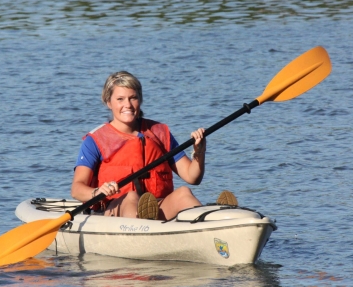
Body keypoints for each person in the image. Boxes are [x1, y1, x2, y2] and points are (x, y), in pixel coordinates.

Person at [70, 71, 237, 220]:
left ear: (140, 99)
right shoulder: (95, 140)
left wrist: (199, 152)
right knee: (131, 198)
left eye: (132, 98)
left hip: (158, 205)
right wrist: (97, 192)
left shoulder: (159, 133)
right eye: (120, 99)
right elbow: (77, 189)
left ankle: (211, 221)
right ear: (108, 102)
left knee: (183, 193)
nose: (127, 105)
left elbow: (192, 177)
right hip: (114, 211)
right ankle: (144, 229)